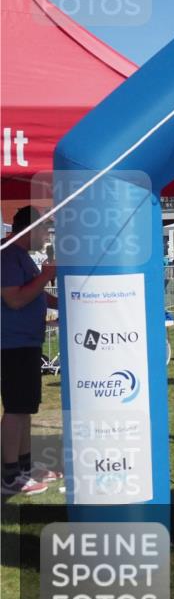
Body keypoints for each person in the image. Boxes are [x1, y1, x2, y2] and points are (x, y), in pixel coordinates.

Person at [1, 207, 62, 496]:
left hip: (25, 342)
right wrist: (47, 274)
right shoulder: (8, 255)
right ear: (31, 229)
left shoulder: (20, 256)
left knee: (24, 407)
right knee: (15, 409)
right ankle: (10, 475)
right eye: (44, 231)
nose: (47, 237)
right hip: (12, 344)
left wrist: (63, 305)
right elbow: (14, 299)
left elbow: (34, 292)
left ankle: (24, 468)